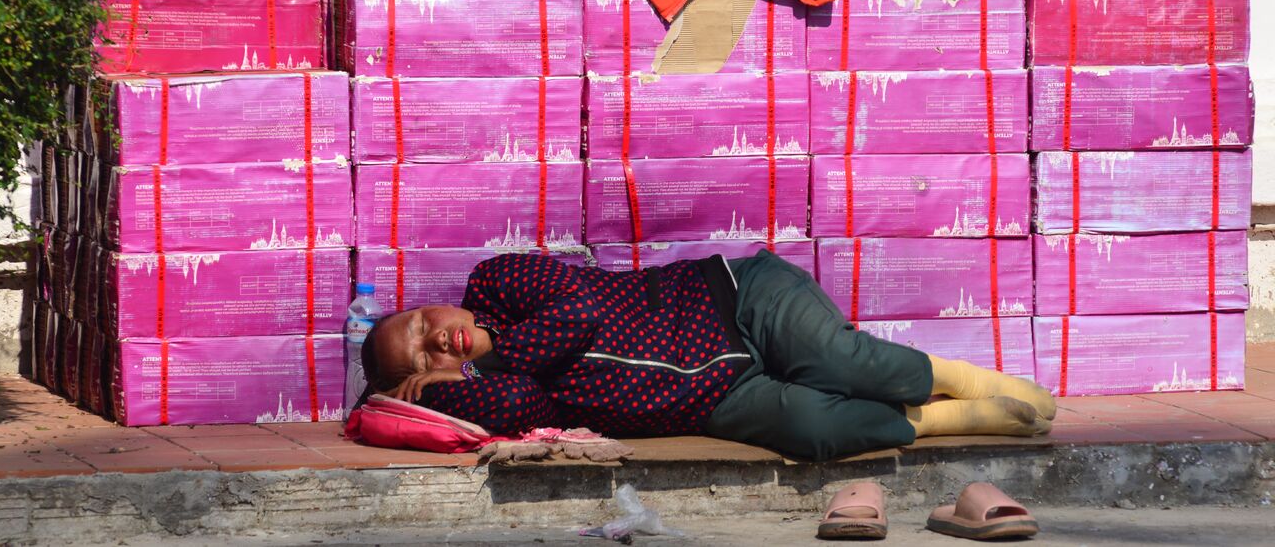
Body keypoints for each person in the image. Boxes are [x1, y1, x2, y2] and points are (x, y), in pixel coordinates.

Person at [359, 250, 1054, 461]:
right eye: (421, 353)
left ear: (436, 302)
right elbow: (512, 405)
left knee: (845, 365)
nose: (435, 334)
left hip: (734, 301)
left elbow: (582, 311)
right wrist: (447, 393)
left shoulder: (497, 281)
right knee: (816, 432)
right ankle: (935, 421)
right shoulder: (519, 390)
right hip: (713, 398)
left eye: (422, 320)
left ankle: (967, 381)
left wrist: (493, 349)